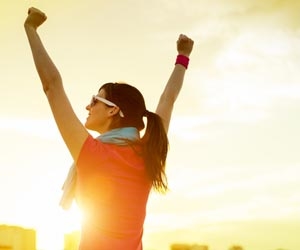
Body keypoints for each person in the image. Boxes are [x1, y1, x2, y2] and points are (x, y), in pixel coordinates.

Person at [24, 7, 194, 250]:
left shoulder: (92, 154)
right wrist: (183, 57)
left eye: (95, 99)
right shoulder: (148, 153)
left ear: (114, 110)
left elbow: (52, 86)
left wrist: (31, 30)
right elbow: (168, 100)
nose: (87, 105)